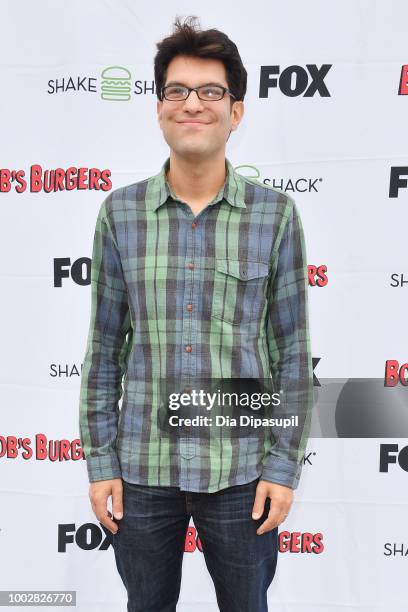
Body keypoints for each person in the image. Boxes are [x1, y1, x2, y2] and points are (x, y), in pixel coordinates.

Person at [79, 15, 314, 612]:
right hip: (141, 470)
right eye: (178, 91)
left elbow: (291, 355)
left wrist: (283, 468)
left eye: (211, 92)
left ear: (236, 111)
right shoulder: (120, 215)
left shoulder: (275, 216)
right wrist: (101, 463)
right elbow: (104, 351)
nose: (193, 104)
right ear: (159, 108)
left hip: (240, 473)